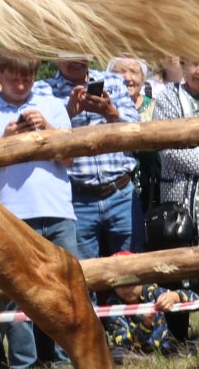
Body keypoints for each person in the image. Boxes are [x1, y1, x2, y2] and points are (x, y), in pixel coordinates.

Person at [0, 54, 77, 369]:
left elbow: (70, 159)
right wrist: (7, 140)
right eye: (14, 77)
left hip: (58, 209)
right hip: (10, 214)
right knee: (17, 294)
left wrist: (49, 130)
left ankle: (65, 360)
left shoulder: (53, 105)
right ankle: (23, 366)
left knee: (65, 287)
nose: (21, 84)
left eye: (27, 78)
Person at [43, 57, 141, 259]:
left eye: (81, 55)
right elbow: (40, 138)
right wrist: (68, 113)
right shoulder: (44, 90)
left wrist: (111, 113)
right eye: (69, 56)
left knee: (135, 272)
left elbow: (137, 127)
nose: (77, 61)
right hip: (76, 199)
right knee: (85, 277)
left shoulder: (113, 81)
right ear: (55, 57)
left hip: (120, 192)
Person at [154, 60, 199, 303]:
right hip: (192, 199)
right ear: (182, 65)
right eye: (194, 64)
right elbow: (170, 149)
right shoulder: (169, 98)